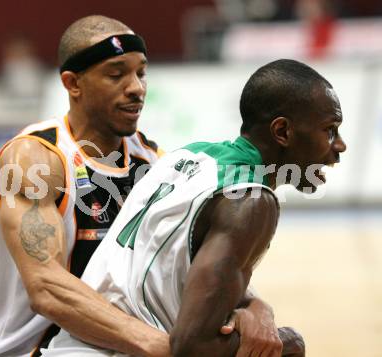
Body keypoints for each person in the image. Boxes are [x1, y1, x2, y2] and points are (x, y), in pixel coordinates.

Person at [0, 15, 284, 357]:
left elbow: (204, 260)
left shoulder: (157, 163)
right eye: (116, 74)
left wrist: (256, 307)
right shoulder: (35, 159)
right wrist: (158, 346)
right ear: (73, 83)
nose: (136, 87)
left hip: (95, 349)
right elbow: (46, 288)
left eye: (141, 72)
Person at [43, 59, 346, 356]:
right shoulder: (252, 201)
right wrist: (291, 343)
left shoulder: (187, 156)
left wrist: (253, 306)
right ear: (282, 132)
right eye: (330, 130)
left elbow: (179, 268)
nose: (340, 145)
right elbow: (192, 347)